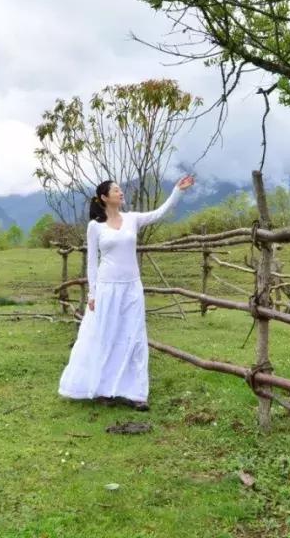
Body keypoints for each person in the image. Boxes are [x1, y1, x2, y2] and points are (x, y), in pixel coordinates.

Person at [57, 175, 195, 411]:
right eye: (116, 190)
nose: (121, 193)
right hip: (107, 288)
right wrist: (92, 294)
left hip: (131, 287)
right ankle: (104, 389)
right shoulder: (95, 226)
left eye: (120, 190)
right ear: (104, 197)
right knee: (107, 336)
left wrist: (178, 191)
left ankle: (136, 393)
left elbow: (159, 213)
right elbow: (92, 262)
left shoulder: (132, 219)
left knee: (134, 336)